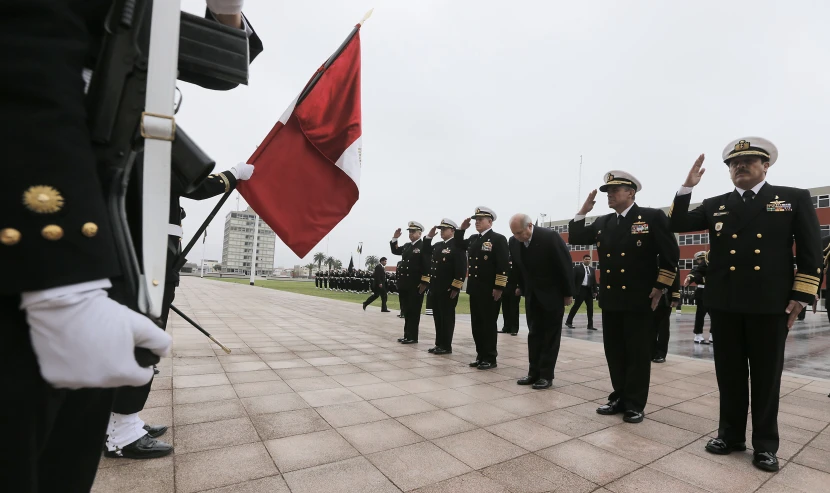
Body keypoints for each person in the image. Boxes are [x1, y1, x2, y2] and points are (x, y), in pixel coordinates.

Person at [669, 138, 822, 472]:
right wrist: (686, 187)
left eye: (748, 161)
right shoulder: (716, 203)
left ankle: (765, 445)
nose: (739, 167)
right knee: (730, 373)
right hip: (725, 304)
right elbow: (675, 224)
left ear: (766, 165)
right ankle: (730, 435)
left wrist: (801, 295)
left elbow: (811, 252)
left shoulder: (792, 198)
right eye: (733, 163)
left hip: (770, 305)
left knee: (767, 378)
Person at [106, 164, 255, 459]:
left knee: (135, 345)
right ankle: (121, 434)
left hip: (148, 260)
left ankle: (121, 422)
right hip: (148, 263)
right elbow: (192, 184)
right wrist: (231, 176)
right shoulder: (147, 141)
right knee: (140, 347)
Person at [569, 171, 679, 424]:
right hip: (611, 298)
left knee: (638, 353)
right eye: (607, 191)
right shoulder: (603, 222)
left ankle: (635, 403)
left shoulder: (651, 217)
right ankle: (618, 396)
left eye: (614, 190)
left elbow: (670, 254)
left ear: (631, 192)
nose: (609, 195)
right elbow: (575, 237)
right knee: (615, 351)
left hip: (641, 297)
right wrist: (583, 211)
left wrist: (661, 286)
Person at [508, 214, 574, 389]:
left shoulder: (549, 237)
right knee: (534, 334)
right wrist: (520, 287)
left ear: (529, 226)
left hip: (553, 295)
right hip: (532, 295)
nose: (517, 237)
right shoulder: (514, 242)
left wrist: (568, 293)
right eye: (514, 233)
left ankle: (546, 375)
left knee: (550, 336)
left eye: (519, 233)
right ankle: (533, 372)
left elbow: (565, 265)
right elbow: (518, 267)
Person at [455, 207, 509, 370]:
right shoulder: (473, 239)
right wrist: (461, 229)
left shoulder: (498, 239)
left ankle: (490, 357)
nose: (477, 222)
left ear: (490, 221)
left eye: (480, 219)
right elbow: (458, 244)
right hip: (475, 289)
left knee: (488, 324)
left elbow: (503, 265)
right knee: (476, 324)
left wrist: (499, 287)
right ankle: (480, 355)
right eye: (476, 219)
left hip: (490, 290)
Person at [423, 219, 467, 355]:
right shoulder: (438, 245)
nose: (441, 231)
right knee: (438, 317)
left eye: (444, 229)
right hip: (436, 287)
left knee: (447, 318)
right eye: (440, 229)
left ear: (452, 230)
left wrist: (456, 287)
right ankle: (439, 344)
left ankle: (446, 346)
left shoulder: (457, 245)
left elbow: (461, 267)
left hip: (448, 289)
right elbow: (426, 250)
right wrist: (429, 237)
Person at [390, 222, 430, 343]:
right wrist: (395, 238)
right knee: (406, 310)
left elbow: (427, 265)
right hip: (405, 284)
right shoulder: (407, 246)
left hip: (416, 285)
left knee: (414, 311)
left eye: (413, 232)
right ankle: (407, 335)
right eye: (410, 232)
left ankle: (413, 337)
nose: (411, 234)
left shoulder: (424, 246)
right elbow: (395, 251)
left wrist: (424, 282)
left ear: (420, 233)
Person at [652, 269, 681, 363]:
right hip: (648, 295)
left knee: (662, 327)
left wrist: (675, 296)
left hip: (664, 297)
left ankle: (661, 353)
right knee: (649, 327)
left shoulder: (667, 256)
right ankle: (651, 351)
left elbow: (675, 275)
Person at [565, 254, 599, 330]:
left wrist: (595, 291)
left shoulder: (592, 269)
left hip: (589, 290)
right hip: (580, 290)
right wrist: (572, 291)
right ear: (583, 260)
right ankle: (569, 322)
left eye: (589, 259)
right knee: (576, 306)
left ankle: (590, 325)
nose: (587, 260)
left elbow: (594, 281)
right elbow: (573, 280)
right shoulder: (577, 268)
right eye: (586, 259)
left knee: (590, 308)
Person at [684, 251, 712, 344]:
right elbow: (694, 275)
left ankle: (712, 334)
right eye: (700, 259)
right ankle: (698, 335)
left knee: (714, 315)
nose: (701, 261)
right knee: (700, 314)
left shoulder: (709, 267)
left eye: (703, 259)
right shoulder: (697, 269)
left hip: (711, 291)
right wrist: (689, 278)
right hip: (701, 292)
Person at [498, 257, 521, 335]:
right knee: (505, 307)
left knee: (513, 308)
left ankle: (514, 328)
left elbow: (520, 274)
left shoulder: (517, 258)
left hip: (514, 287)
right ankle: (506, 327)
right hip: (505, 286)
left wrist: (519, 286)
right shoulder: (505, 258)